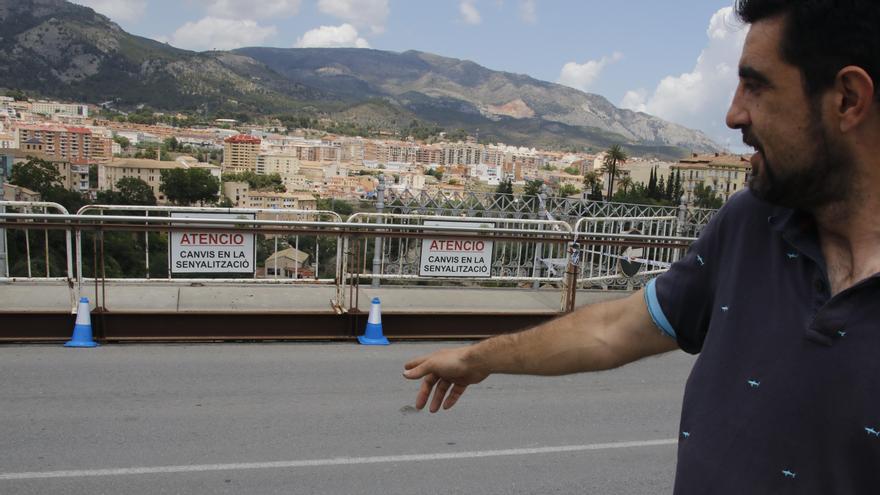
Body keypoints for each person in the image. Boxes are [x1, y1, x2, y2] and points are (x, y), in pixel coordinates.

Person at [403, 0, 880, 492]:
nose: (734, 113)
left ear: (847, 98)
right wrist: (478, 359)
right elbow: (614, 329)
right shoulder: (753, 221)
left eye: (756, 85)